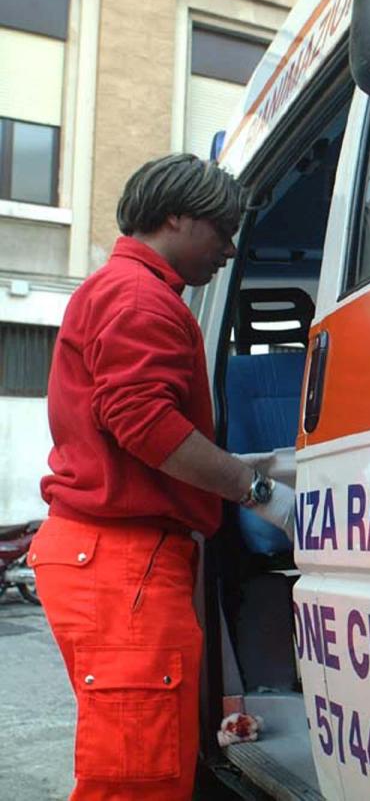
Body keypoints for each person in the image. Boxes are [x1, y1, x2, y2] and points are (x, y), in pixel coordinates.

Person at [29, 153, 296, 800]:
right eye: (221, 230)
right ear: (176, 216)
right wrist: (254, 489)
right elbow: (143, 423)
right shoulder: (139, 295)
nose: (230, 249)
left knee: (146, 763)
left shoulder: (128, 290)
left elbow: (134, 423)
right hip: (123, 563)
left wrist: (244, 468)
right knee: (136, 780)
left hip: (117, 559)